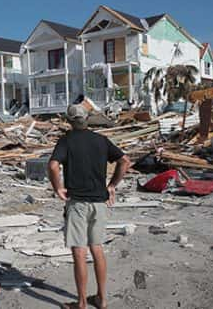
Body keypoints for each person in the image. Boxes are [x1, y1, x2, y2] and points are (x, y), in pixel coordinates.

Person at [48, 104, 131, 309]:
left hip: (77, 203)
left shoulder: (66, 141)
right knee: (97, 248)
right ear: (88, 119)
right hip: (99, 203)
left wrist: (58, 187)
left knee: (79, 252)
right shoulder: (101, 141)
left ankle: (82, 303)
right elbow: (124, 161)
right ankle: (102, 299)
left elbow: (52, 165)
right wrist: (111, 186)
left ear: (68, 121)